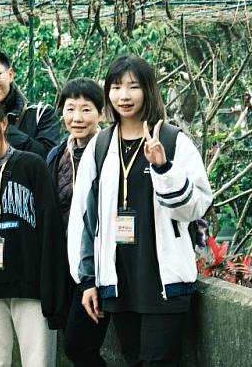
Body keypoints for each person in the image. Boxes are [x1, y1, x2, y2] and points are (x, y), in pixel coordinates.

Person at [68, 55, 213, 366]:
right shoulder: (101, 145)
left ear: (148, 90)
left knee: (156, 362)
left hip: (164, 281)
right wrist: (88, 279)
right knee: (133, 361)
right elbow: (84, 218)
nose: (124, 95)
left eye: (133, 87)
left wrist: (163, 168)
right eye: (116, 86)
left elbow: (197, 206)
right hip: (119, 281)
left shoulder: (174, 141)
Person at [0, 97, 68, 367]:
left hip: (31, 284)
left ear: (4, 123)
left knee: (38, 362)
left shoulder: (32, 165)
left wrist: (52, 289)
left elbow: (50, 228)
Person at [46, 78, 110, 366]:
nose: (77, 117)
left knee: (77, 345)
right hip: (68, 266)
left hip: (99, 266)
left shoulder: (109, 151)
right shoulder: (57, 154)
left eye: (86, 109)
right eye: (70, 109)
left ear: (101, 113)